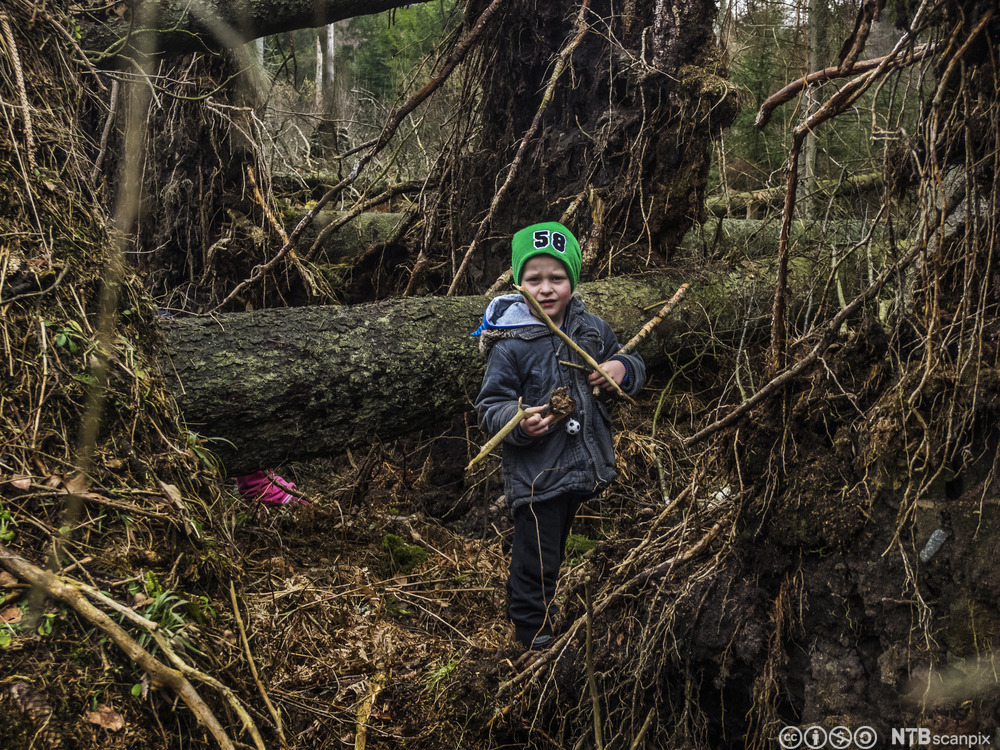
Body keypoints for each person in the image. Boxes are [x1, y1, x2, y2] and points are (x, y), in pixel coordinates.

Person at [472, 221, 646, 650]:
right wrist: (518, 422)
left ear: (573, 279)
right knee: (537, 556)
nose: (546, 289)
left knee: (560, 545)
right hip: (537, 474)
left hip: (578, 464)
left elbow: (628, 362)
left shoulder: (591, 330)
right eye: (534, 279)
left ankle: (548, 620)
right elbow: (490, 406)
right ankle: (532, 634)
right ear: (518, 281)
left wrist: (623, 370)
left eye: (557, 278)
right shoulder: (510, 344)